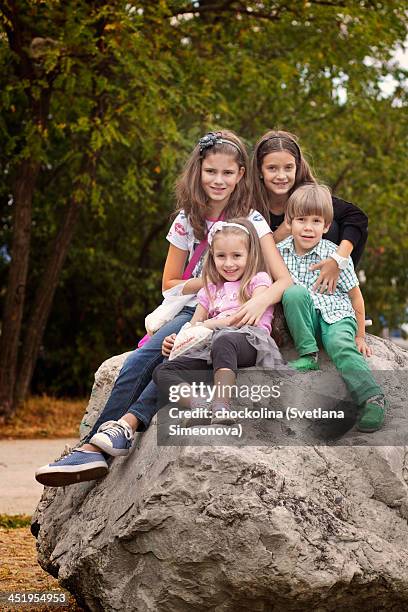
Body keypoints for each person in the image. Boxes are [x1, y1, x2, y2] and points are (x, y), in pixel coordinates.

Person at [36, 131, 292, 487]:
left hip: (235, 313)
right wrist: (209, 279)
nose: (218, 181)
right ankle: (96, 446)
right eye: (210, 172)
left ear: (241, 175)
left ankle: (108, 439)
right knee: (142, 360)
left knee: (169, 357)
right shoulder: (187, 220)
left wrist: (261, 299)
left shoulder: (252, 220)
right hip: (195, 309)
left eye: (228, 173)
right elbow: (168, 284)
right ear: (198, 171)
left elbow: (283, 280)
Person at [153, 218, 289, 421]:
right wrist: (176, 341)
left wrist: (207, 324)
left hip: (248, 342)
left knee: (224, 339)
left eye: (237, 256)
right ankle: (199, 406)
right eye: (221, 256)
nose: (229, 263)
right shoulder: (210, 289)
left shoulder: (258, 280)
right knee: (163, 371)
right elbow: (193, 326)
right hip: (211, 348)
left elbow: (242, 320)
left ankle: (221, 406)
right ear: (212, 257)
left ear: (250, 255)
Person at [277, 183, 386, 433]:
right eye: (301, 219)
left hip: (337, 316)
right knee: (293, 293)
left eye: (316, 221)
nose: (308, 227)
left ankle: (372, 397)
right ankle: (308, 355)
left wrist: (359, 335)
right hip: (307, 321)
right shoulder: (280, 253)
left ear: (326, 226)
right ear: (289, 222)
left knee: (340, 345)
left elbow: (356, 297)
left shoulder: (334, 256)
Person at [252, 130, 368, 295]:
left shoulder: (307, 197)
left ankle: (335, 290)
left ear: (297, 167)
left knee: (330, 225)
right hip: (272, 282)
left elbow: (357, 217)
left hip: (317, 277)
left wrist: (338, 260)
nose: (281, 176)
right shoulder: (249, 204)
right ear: (259, 170)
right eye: (272, 168)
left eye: (288, 168)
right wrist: (279, 235)